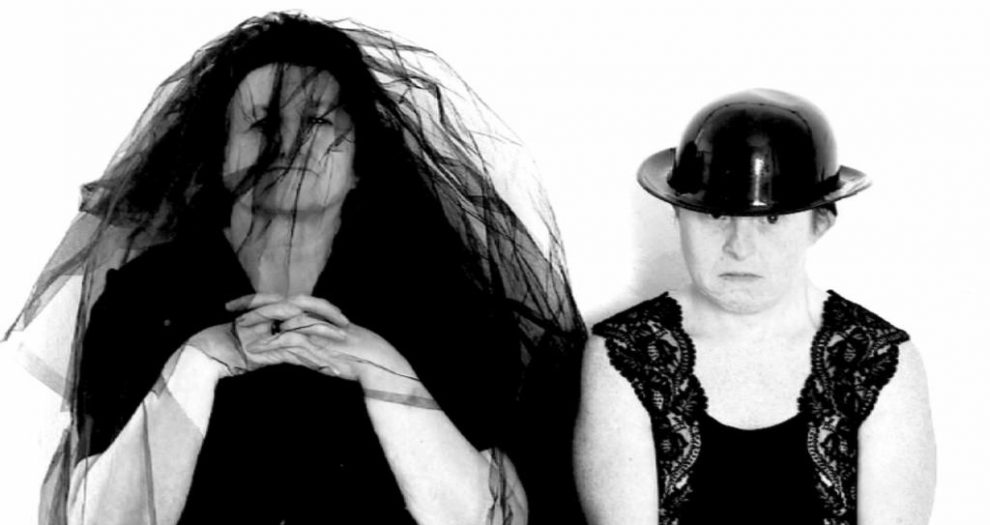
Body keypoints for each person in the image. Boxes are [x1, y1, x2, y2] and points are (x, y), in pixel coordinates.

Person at [6, 12, 586, 525]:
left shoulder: (439, 297)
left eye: (317, 123)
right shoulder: (144, 295)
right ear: (218, 155)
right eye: (262, 124)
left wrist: (380, 366)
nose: (288, 144)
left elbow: (491, 520)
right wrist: (200, 360)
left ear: (360, 162)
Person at [574, 89, 936, 524]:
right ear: (678, 214)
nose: (740, 248)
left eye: (771, 219)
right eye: (716, 215)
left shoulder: (881, 360)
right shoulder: (622, 353)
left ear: (819, 222)